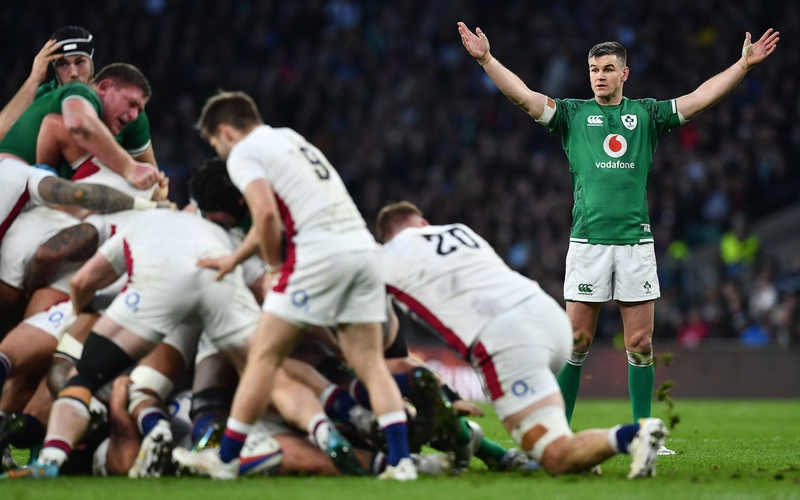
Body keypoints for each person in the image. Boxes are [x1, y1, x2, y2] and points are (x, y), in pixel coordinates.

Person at [457, 22, 779, 441]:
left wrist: (742, 66)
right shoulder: (572, 114)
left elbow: (699, 99)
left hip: (635, 242)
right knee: (576, 341)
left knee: (641, 343)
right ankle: (558, 436)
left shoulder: (645, 113)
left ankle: (644, 434)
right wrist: (486, 59)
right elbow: (524, 97)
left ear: (624, 73)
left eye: (608, 68)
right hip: (588, 242)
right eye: (594, 69)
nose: (599, 75)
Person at [172, 91, 416, 480]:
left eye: (215, 144)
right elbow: (274, 214)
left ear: (225, 132)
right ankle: (402, 463)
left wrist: (271, 268)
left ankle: (224, 459)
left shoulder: (243, 153)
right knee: (369, 363)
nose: (218, 153)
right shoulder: (289, 138)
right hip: (362, 250)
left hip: (319, 255)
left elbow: (265, 216)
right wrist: (235, 259)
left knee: (263, 358)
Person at [376, 201, 668, 478]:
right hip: (546, 316)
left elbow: (392, 348)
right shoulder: (458, 231)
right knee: (553, 432)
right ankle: (583, 453)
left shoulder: (388, 258)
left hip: (507, 341)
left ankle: (634, 435)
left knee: (554, 454)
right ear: (424, 223)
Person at [0, 26, 157, 169]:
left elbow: (150, 173)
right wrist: (34, 78)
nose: (73, 72)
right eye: (63, 64)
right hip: (42, 194)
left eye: (80, 62)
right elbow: (3, 137)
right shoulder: (41, 97)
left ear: (92, 62)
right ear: (53, 68)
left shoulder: (126, 110)